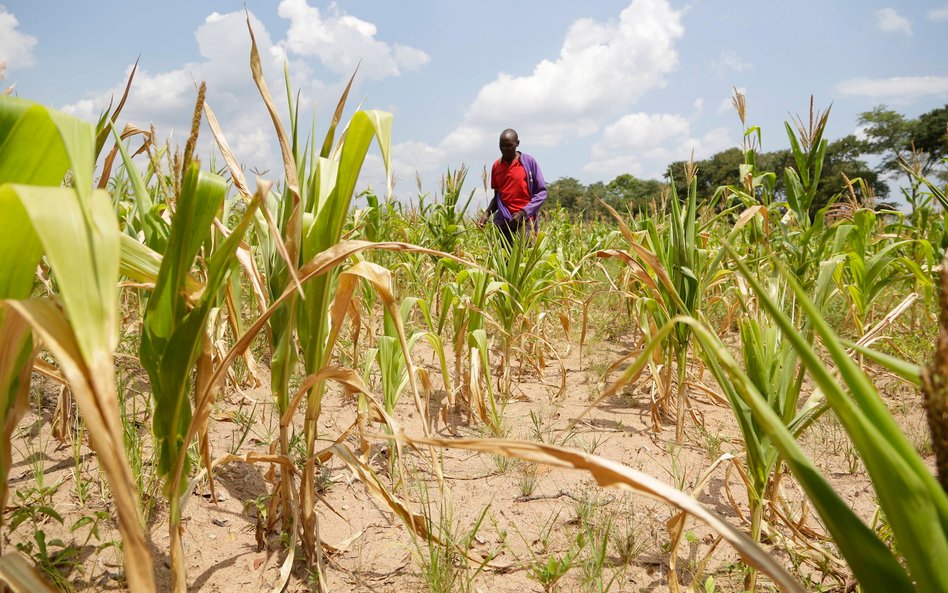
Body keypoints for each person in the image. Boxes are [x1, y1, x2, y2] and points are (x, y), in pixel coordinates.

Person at [476, 129, 547, 245]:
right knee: (504, 260)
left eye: (509, 146)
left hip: (525, 222)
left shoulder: (529, 162)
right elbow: (497, 197)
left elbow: (541, 193)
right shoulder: (496, 166)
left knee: (523, 258)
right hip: (504, 222)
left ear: (517, 143)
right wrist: (486, 213)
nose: (505, 149)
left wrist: (523, 213)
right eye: (502, 146)